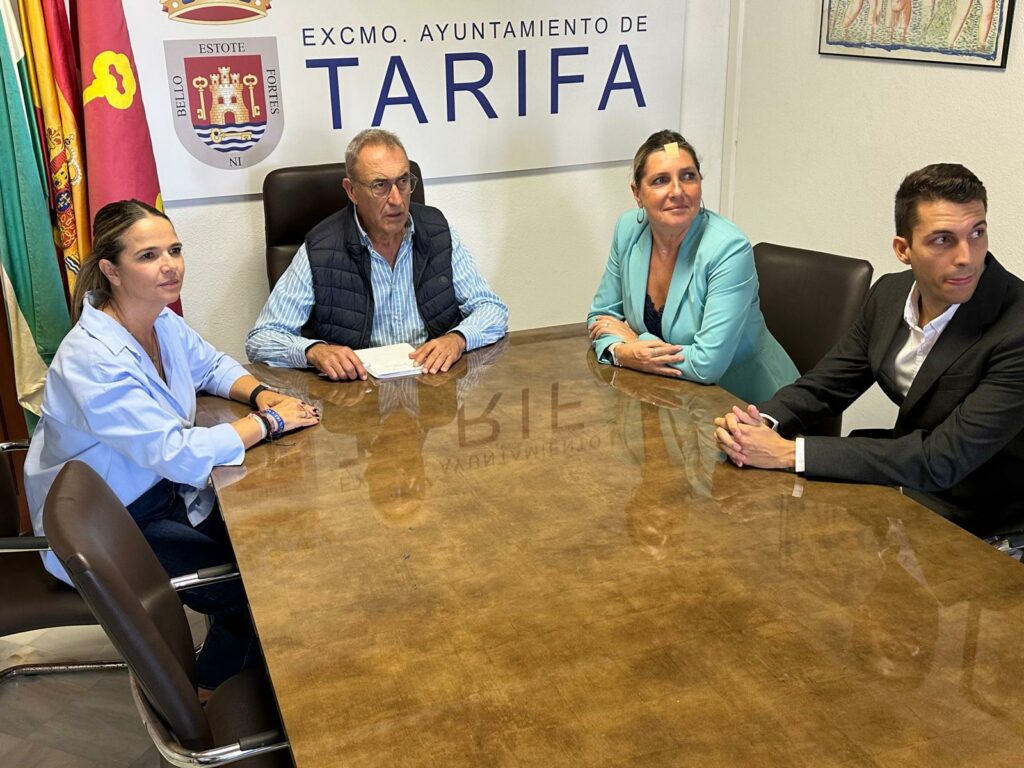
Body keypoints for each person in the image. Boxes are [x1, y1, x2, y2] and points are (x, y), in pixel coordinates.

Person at [24, 200, 320, 692]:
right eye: (148, 255)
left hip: (160, 495)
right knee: (252, 592)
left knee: (273, 552)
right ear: (111, 271)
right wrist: (268, 422)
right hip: (108, 523)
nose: (170, 265)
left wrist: (260, 394)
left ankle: (263, 674)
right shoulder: (91, 358)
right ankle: (205, 700)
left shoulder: (160, 321)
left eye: (175, 250)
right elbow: (177, 453)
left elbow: (212, 365)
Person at [714, 163, 1024, 538]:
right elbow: (826, 385)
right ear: (903, 249)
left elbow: (942, 460)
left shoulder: (1017, 326)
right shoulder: (890, 294)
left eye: (977, 233)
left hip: (986, 511)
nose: (967, 257)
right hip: (905, 479)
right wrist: (759, 423)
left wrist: (788, 453)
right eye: (943, 239)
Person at [246, 128, 508, 380]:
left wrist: (457, 339)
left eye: (403, 181)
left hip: (434, 385)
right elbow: (262, 339)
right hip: (356, 394)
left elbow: (491, 308)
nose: (397, 199)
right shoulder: (321, 249)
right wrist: (313, 351)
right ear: (351, 191)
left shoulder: (437, 231)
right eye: (380, 185)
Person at [587, 129, 798, 404]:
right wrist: (619, 352)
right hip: (675, 398)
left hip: (749, 405)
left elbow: (706, 365)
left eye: (688, 176)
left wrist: (637, 344)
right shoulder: (628, 229)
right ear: (637, 193)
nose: (677, 191)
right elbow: (601, 317)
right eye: (661, 180)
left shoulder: (728, 249)